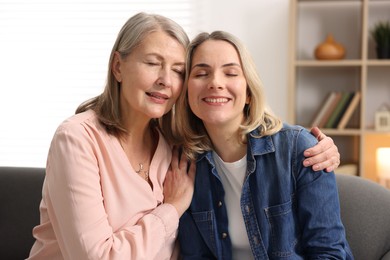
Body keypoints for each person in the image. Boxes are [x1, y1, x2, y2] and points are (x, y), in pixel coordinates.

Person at [28, 12, 340, 260]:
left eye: (178, 70)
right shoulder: (80, 139)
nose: (165, 80)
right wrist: (172, 208)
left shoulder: (178, 145)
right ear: (118, 67)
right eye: (152, 63)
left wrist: (320, 148)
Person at [175, 31, 353, 259]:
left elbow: (329, 253)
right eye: (201, 73)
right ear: (187, 91)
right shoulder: (185, 163)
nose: (215, 83)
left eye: (230, 73)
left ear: (249, 92)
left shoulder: (300, 149)